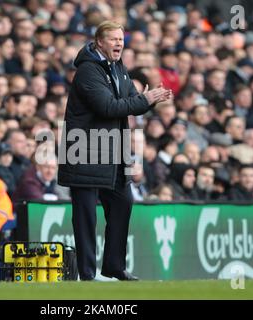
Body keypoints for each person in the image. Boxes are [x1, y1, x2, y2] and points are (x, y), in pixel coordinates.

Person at [58, 21, 172, 281]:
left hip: (113, 151)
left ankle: (113, 266)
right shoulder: (88, 71)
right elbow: (109, 107)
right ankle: (87, 273)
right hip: (84, 151)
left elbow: (130, 101)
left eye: (121, 39)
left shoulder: (118, 67)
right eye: (113, 39)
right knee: (85, 215)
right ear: (99, 42)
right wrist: (143, 100)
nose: (119, 43)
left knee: (123, 203)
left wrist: (148, 99)